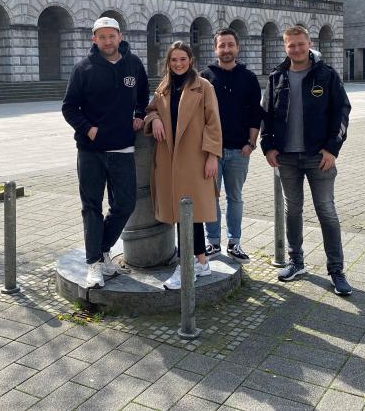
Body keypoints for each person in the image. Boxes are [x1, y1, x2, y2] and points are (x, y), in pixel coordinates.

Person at [260, 25, 353, 296]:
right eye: (291, 45)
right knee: (293, 211)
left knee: (326, 211)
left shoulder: (326, 74)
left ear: (309, 43)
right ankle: (296, 261)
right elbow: (266, 114)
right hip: (287, 157)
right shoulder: (277, 76)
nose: (297, 49)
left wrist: (332, 149)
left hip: (319, 157)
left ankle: (336, 270)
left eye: (301, 44)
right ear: (285, 47)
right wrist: (268, 146)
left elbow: (342, 111)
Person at [62, 16, 149, 289]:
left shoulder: (133, 64)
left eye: (112, 36)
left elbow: (144, 92)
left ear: (120, 37)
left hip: (123, 148)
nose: (108, 41)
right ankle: (95, 265)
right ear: (94, 39)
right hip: (91, 151)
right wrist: (88, 129)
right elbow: (69, 107)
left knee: (125, 204)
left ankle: (101, 249)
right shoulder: (83, 68)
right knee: (91, 207)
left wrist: (138, 113)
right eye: (102, 37)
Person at [144, 41, 222, 290]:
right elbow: (150, 110)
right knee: (185, 214)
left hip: (195, 158)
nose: (178, 64)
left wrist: (212, 157)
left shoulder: (204, 87)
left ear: (191, 61)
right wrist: (154, 119)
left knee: (191, 211)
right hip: (169, 159)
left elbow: (213, 123)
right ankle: (200, 261)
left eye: (182, 59)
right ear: (168, 62)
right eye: (173, 60)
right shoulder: (163, 88)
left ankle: (186, 265)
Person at [201, 28, 263, 263]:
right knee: (210, 196)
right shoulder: (205, 76)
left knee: (235, 197)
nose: (226, 49)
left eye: (230, 45)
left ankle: (234, 242)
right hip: (212, 152)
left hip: (239, 150)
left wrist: (251, 143)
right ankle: (213, 242)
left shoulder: (248, 78)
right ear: (215, 48)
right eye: (222, 45)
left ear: (237, 48)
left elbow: (255, 113)